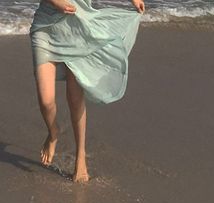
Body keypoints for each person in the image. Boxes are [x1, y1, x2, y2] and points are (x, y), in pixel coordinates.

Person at [29, 0, 145, 183]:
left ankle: (80, 156)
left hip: (78, 28)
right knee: (46, 101)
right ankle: (53, 133)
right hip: (46, 27)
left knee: (75, 100)